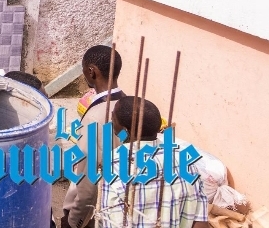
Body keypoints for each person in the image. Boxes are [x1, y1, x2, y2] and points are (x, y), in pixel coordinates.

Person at [101, 97, 209, 228]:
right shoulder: (184, 160)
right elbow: (200, 222)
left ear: (125, 130)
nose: (111, 121)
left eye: (113, 117)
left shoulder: (114, 165)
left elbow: (112, 222)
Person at [63, 45, 126, 228]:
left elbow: (88, 182)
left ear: (91, 72)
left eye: (84, 70)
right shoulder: (127, 105)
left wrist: (75, 220)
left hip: (95, 209)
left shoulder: (95, 116)